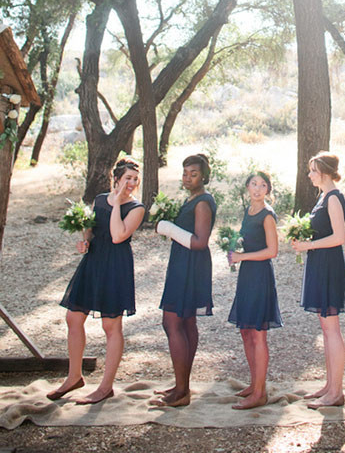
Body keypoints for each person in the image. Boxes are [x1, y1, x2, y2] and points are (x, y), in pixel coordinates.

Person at [47, 156, 145, 404]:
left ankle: (105, 387)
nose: (131, 183)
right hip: (93, 262)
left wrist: (118, 202)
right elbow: (91, 230)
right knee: (73, 317)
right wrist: (84, 241)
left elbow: (117, 235)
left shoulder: (137, 208)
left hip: (115, 266)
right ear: (116, 179)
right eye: (127, 179)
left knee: (111, 326)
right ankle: (74, 377)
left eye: (135, 179)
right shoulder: (101, 199)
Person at [151, 153, 216, 408]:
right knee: (186, 323)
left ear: (204, 176)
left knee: (172, 323)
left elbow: (200, 242)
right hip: (183, 262)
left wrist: (169, 229)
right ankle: (182, 386)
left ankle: (181, 390)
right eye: (185, 173)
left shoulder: (202, 202)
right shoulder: (192, 198)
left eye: (194, 173)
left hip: (192, 266)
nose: (188, 177)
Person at [291, 152, 345, 409]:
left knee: (332, 329)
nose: (309, 175)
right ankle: (329, 385)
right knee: (326, 329)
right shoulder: (323, 197)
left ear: (325, 172)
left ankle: (336, 392)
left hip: (329, 264)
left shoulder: (334, 198)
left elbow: (340, 237)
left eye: (313, 171)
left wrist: (309, 244)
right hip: (319, 262)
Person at [227, 171, 282, 410]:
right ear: (247, 187)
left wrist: (242, 256)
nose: (258, 189)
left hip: (260, 276)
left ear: (268, 189)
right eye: (253, 184)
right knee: (246, 330)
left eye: (262, 185)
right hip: (247, 276)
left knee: (258, 333)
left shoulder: (267, 215)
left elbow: (272, 251)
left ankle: (260, 393)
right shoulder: (247, 212)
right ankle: (253, 384)